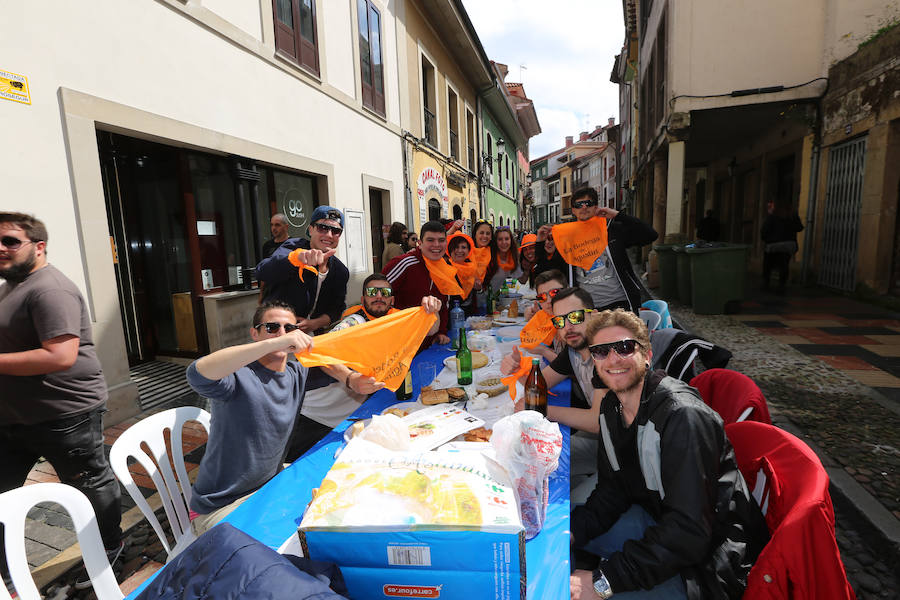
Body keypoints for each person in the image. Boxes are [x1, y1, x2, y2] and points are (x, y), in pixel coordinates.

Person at [568, 309, 768, 599]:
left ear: (647, 355)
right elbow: (613, 491)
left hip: (708, 565)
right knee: (561, 538)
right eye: (601, 351)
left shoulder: (682, 417)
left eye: (624, 347)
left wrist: (604, 581)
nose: (613, 359)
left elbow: (690, 532)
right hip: (662, 523)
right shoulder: (612, 407)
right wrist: (572, 531)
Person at [0, 213, 123, 586]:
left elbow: (60, 355)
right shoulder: (14, 285)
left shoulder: (49, 289)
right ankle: (8, 567)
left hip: (64, 414)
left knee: (87, 482)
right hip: (15, 416)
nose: (1, 249)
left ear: (39, 246)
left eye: (10, 241)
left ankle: (107, 550)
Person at [187, 300, 379, 532]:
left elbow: (323, 359)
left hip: (269, 487)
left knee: (344, 502)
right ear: (254, 334)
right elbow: (197, 374)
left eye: (289, 329)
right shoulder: (236, 376)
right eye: (271, 328)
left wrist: (350, 379)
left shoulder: (295, 373)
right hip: (221, 505)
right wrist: (278, 343)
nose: (282, 334)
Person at [286, 275, 442, 460]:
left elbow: (432, 328)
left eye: (384, 292)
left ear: (392, 300)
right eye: (371, 292)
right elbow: (318, 352)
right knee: (292, 467)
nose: (378, 296)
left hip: (348, 416)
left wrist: (433, 309)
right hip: (315, 415)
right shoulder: (354, 323)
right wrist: (350, 379)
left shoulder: (396, 321)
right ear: (363, 300)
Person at [501, 287, 603, 496]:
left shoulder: (605, 352)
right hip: (603, 440)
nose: (567, 327)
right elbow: (539, 384)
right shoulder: (574, 349)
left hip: (622, 452)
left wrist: (541, 408)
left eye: (574, 317)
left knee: (536, 471)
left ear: (593, 315)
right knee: (524, 461)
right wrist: (517, 368)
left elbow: (597, 422)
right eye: (559, 321)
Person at [537, 187, 657, 313]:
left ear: (596, 207)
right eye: (578, 204)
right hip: (586, 307)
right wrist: (540, 243)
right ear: (573, 210)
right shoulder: (567, 239)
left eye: (588, 203)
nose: (583, 207)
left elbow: (650, 235)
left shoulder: (611, 230)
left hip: (621, 303)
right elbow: (545, 271)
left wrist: (617, 215)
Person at [256, 206, 349, 334]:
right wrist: (295, 259)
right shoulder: (293, 247)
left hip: (314, 336)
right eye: (323, 228)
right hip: (277, 332)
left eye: (335, 231)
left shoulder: (340, 271)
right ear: (311, 230)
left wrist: (315, 324)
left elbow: (337, 308)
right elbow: (262, 271)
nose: (329, 235)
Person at [382, 220, 455, 346]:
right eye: (430, 240)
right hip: (401, 343)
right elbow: (378, 297)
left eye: (441, 240)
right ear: (420, 243)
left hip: (429, 344)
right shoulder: (405, 263)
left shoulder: (446, 269)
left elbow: (444, 305)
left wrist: (441, 332)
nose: (436, 245)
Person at [522, 269, 568, 363]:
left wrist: (543, 351)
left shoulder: (576, 321)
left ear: (567, 291)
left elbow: (570, 369)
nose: (549, 300)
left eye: (555, 292)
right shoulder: (550, 316)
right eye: (542, 297)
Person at [761, 201, 803, 294]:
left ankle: (766, 282)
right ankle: (781, 285)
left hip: (774, 244)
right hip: (789, 245)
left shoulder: (772, 216)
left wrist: (766, 239)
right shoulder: (792, 215)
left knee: (768, 264)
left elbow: (764, 231)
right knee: (784, 264)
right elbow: (800, 228)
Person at [445, 232, 478, 312]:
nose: (460, 250)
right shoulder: (445, 269)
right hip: (452, 318)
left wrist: (479, 289)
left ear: (468, 250)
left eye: (463, 247)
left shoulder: (472, 268)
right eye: (456, 247)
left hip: (471, 318)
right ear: (450, 249)